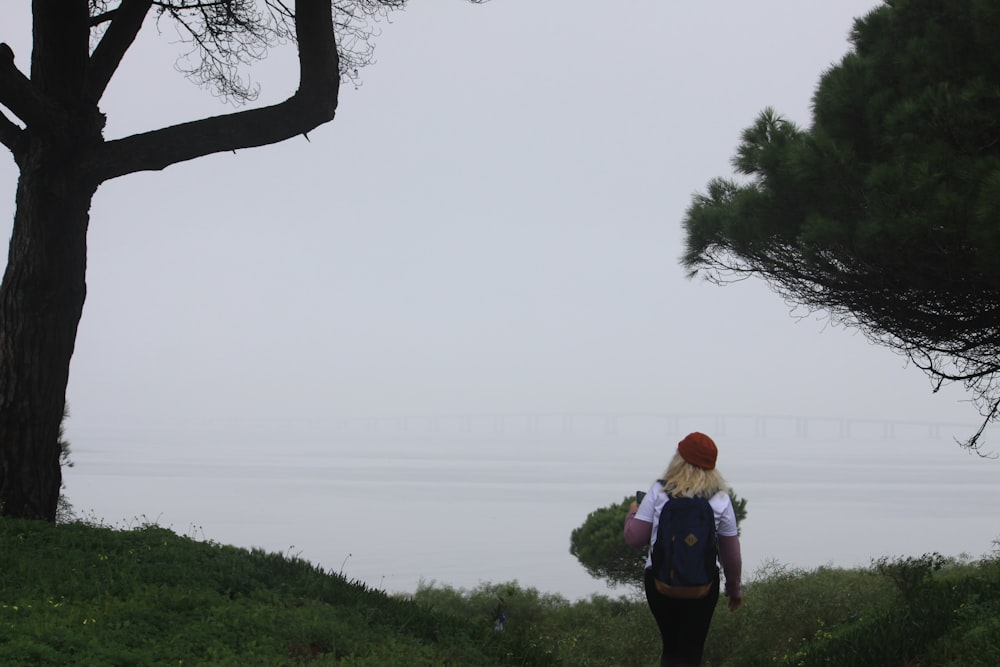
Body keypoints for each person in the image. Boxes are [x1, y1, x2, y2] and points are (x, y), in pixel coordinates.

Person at [624, 432, 743, 667]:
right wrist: (734, 588)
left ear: (679, 459)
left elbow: (634, 538)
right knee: (692, 652)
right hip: (704, 586)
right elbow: (731, 554)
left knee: (671, 648)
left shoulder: (659, 491)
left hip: (659, 583)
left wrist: (632, 512)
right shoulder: (720, 498)